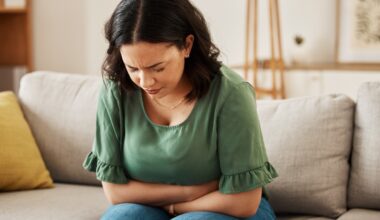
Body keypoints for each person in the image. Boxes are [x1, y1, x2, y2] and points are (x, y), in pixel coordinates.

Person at [83, 0, 278, 219]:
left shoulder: (231, 94)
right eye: (133, 68)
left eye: (157, 67)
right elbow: (115, 192)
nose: (145, 81)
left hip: (228, 208)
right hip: (152, 206)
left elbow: (244, 201)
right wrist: (188, 193)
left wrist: (177, 209)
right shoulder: (116, 90)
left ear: (187, 45)